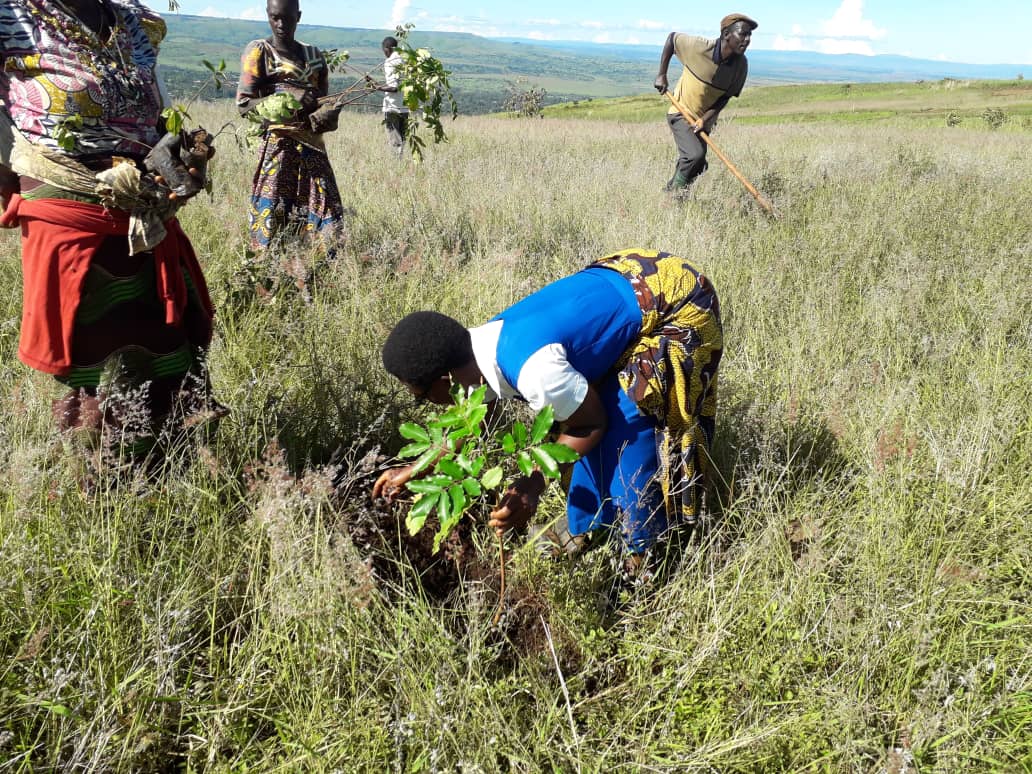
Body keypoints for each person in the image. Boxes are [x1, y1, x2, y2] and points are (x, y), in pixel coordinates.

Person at [373, 249, 723, 579]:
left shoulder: (533, 370)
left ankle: (641, 560)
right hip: (626, 283)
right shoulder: (479, 351)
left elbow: (589, 424)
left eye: (420, 396)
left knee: (626, 432)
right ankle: (586, 526)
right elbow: (478, 411)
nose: (427, 403)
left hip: (675, 301)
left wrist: (531, 486)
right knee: (579, 417)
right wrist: (421, 466)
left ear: (445, 381)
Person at [0, 0, 221, 461]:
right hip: (71, 217)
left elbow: (151, 115)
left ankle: (170, 470)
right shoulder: (13, 15)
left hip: (147, 214)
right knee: (93, 356)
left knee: (164, 343)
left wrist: (179, 158)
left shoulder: (133, 24)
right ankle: (98, 486)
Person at [236, 0, 345, 251]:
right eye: (275, 17)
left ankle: (320, 276)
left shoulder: (314, 57)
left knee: (328, 217)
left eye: (287, 18)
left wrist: (330, 115)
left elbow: (321, 103)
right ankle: (270, 275)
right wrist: (286, 98)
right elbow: (244, 105)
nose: (281, 24)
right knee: (273, 217)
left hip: (313, 150)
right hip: (279, 149)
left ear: (299, 16)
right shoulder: (259, 51)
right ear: (267, 15)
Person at [654, 13, 757, 192]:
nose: (747, 39)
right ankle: (673, 195)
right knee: (695, 155)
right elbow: (672, 39)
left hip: (702, 122)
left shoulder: (741, 66)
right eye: (743, 34)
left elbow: (726, 97)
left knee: (699, 165)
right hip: (680, 111)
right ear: (726, 34)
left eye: (749, 35)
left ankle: (674, 192)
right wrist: (662, 74)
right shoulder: (699, 47)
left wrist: (706, 118)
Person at [378, 36, 409, 158]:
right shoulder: (405, 60)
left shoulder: (390, 62)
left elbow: (394, 88)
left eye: (384, 50)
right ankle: (400, 164)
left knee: (395, 140)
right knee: (403, 138)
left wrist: (378, 88)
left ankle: (396, 167)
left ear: (387, 48)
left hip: (393, 106)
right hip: (405, 106)